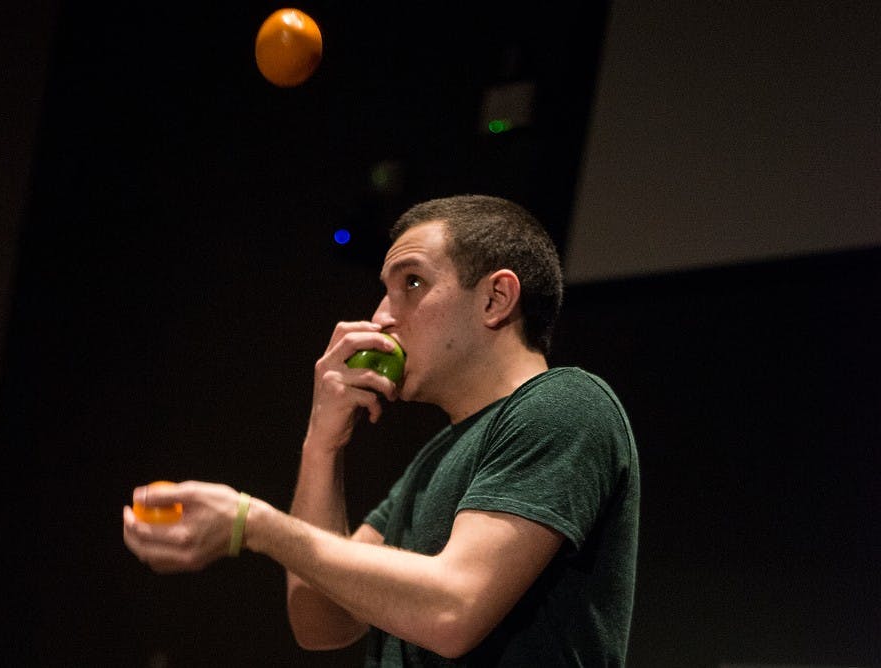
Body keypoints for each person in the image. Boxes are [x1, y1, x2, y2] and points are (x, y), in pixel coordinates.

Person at [123, 194, 640, 666]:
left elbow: (453, 610)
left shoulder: (565, 404)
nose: (380, 317)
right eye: (384, 291)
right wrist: (322, 442)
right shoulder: (435, 458)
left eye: (411, 283)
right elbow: (322, 622)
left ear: (495, 299)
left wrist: (254, 523)